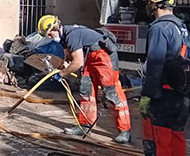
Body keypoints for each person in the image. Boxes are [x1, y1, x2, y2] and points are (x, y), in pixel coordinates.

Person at [126, 0, 190, 156]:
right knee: (176, 142)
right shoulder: (181, 27)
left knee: (159, 145)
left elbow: (155, 64)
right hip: (181, 96)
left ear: (153, 2)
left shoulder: (159, 28)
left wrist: (148, 95)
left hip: (162, 95)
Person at [38, 14, 132, 143]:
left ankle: (124, 130)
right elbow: (69, 58)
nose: (49, 37)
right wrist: (59, 68)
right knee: (86, 91)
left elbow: (78, 62)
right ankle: (84, 126)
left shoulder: (72, 34)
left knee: (112, 93)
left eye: (49, 34)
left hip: (103, 57)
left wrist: (62, 74)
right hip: (90, 58)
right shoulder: (64, 37)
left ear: (56, 27)